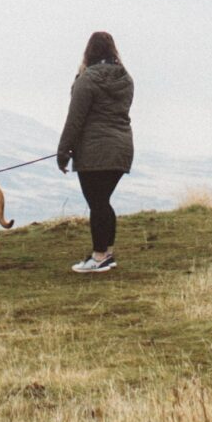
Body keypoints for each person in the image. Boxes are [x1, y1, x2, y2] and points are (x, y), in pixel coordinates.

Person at [56, 30, 134, 275]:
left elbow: (75, 119)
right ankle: (106, 254)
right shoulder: (126, 79)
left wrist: (63, 151)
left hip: (94, 152)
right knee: (103, 202)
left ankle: (99, 257)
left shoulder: (87, 80)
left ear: (89, 51)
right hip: (121, 149)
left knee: (97, 203)